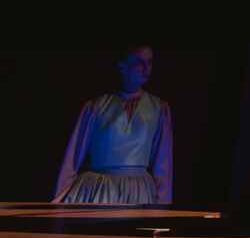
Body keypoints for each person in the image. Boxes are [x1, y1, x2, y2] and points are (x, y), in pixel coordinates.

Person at [54, 44, 172, 204]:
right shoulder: (96, 107)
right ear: (122, 65)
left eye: (149, 62)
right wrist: (58, 201)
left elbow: (163, 165)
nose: (146, 68)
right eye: (139, 62)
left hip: (138, 191)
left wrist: (163, 204)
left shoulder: (158, 108)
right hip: (101, 189)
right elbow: (72, 158)